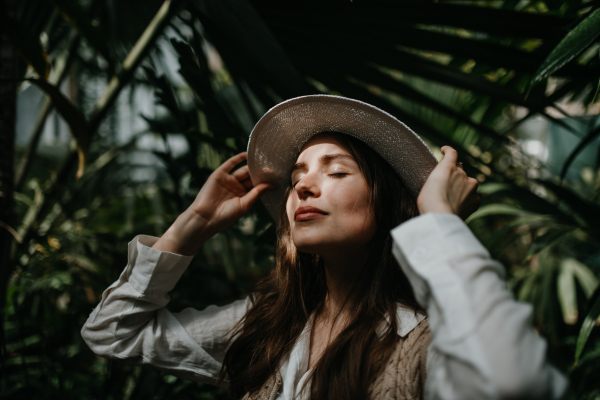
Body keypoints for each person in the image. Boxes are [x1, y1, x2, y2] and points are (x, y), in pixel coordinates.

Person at [81, 95, 567, 400]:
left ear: (389, 202)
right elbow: (111, 334)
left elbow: (512, 383)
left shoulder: (428, 343)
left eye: (336, 172)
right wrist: (195, 224)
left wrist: (438, 215)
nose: (304, 188)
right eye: (297, 178)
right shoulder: (268, 324)